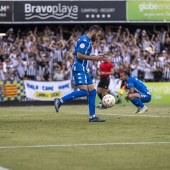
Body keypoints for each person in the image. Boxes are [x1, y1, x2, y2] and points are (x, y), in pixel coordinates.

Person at [54, 25, 106, 122]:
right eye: (98, 35)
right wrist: (94, 58)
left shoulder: (87, 41)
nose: (98, 38)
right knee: (84, 91)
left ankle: (92, 117)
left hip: (84, 69)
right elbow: (79, 55)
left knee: (92, 92)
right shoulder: (84, 40)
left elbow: (83, 54)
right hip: (79, 68)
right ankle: (60, 100)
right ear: (94, 31)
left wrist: (94, 57)